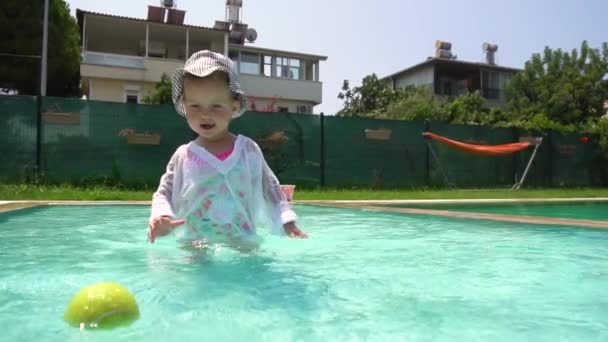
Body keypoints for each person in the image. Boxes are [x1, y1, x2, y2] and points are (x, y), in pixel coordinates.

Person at [147, 50, 307, 250]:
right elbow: (164, 193)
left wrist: (288, 222)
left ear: (234, 106)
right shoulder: (183, 156)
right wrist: (162, 217)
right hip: (195, 245)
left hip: (244, 241)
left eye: (216, 106)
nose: (205, 115)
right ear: (184, 106)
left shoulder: (247, 150)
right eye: (195, 105)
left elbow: (271, 188)